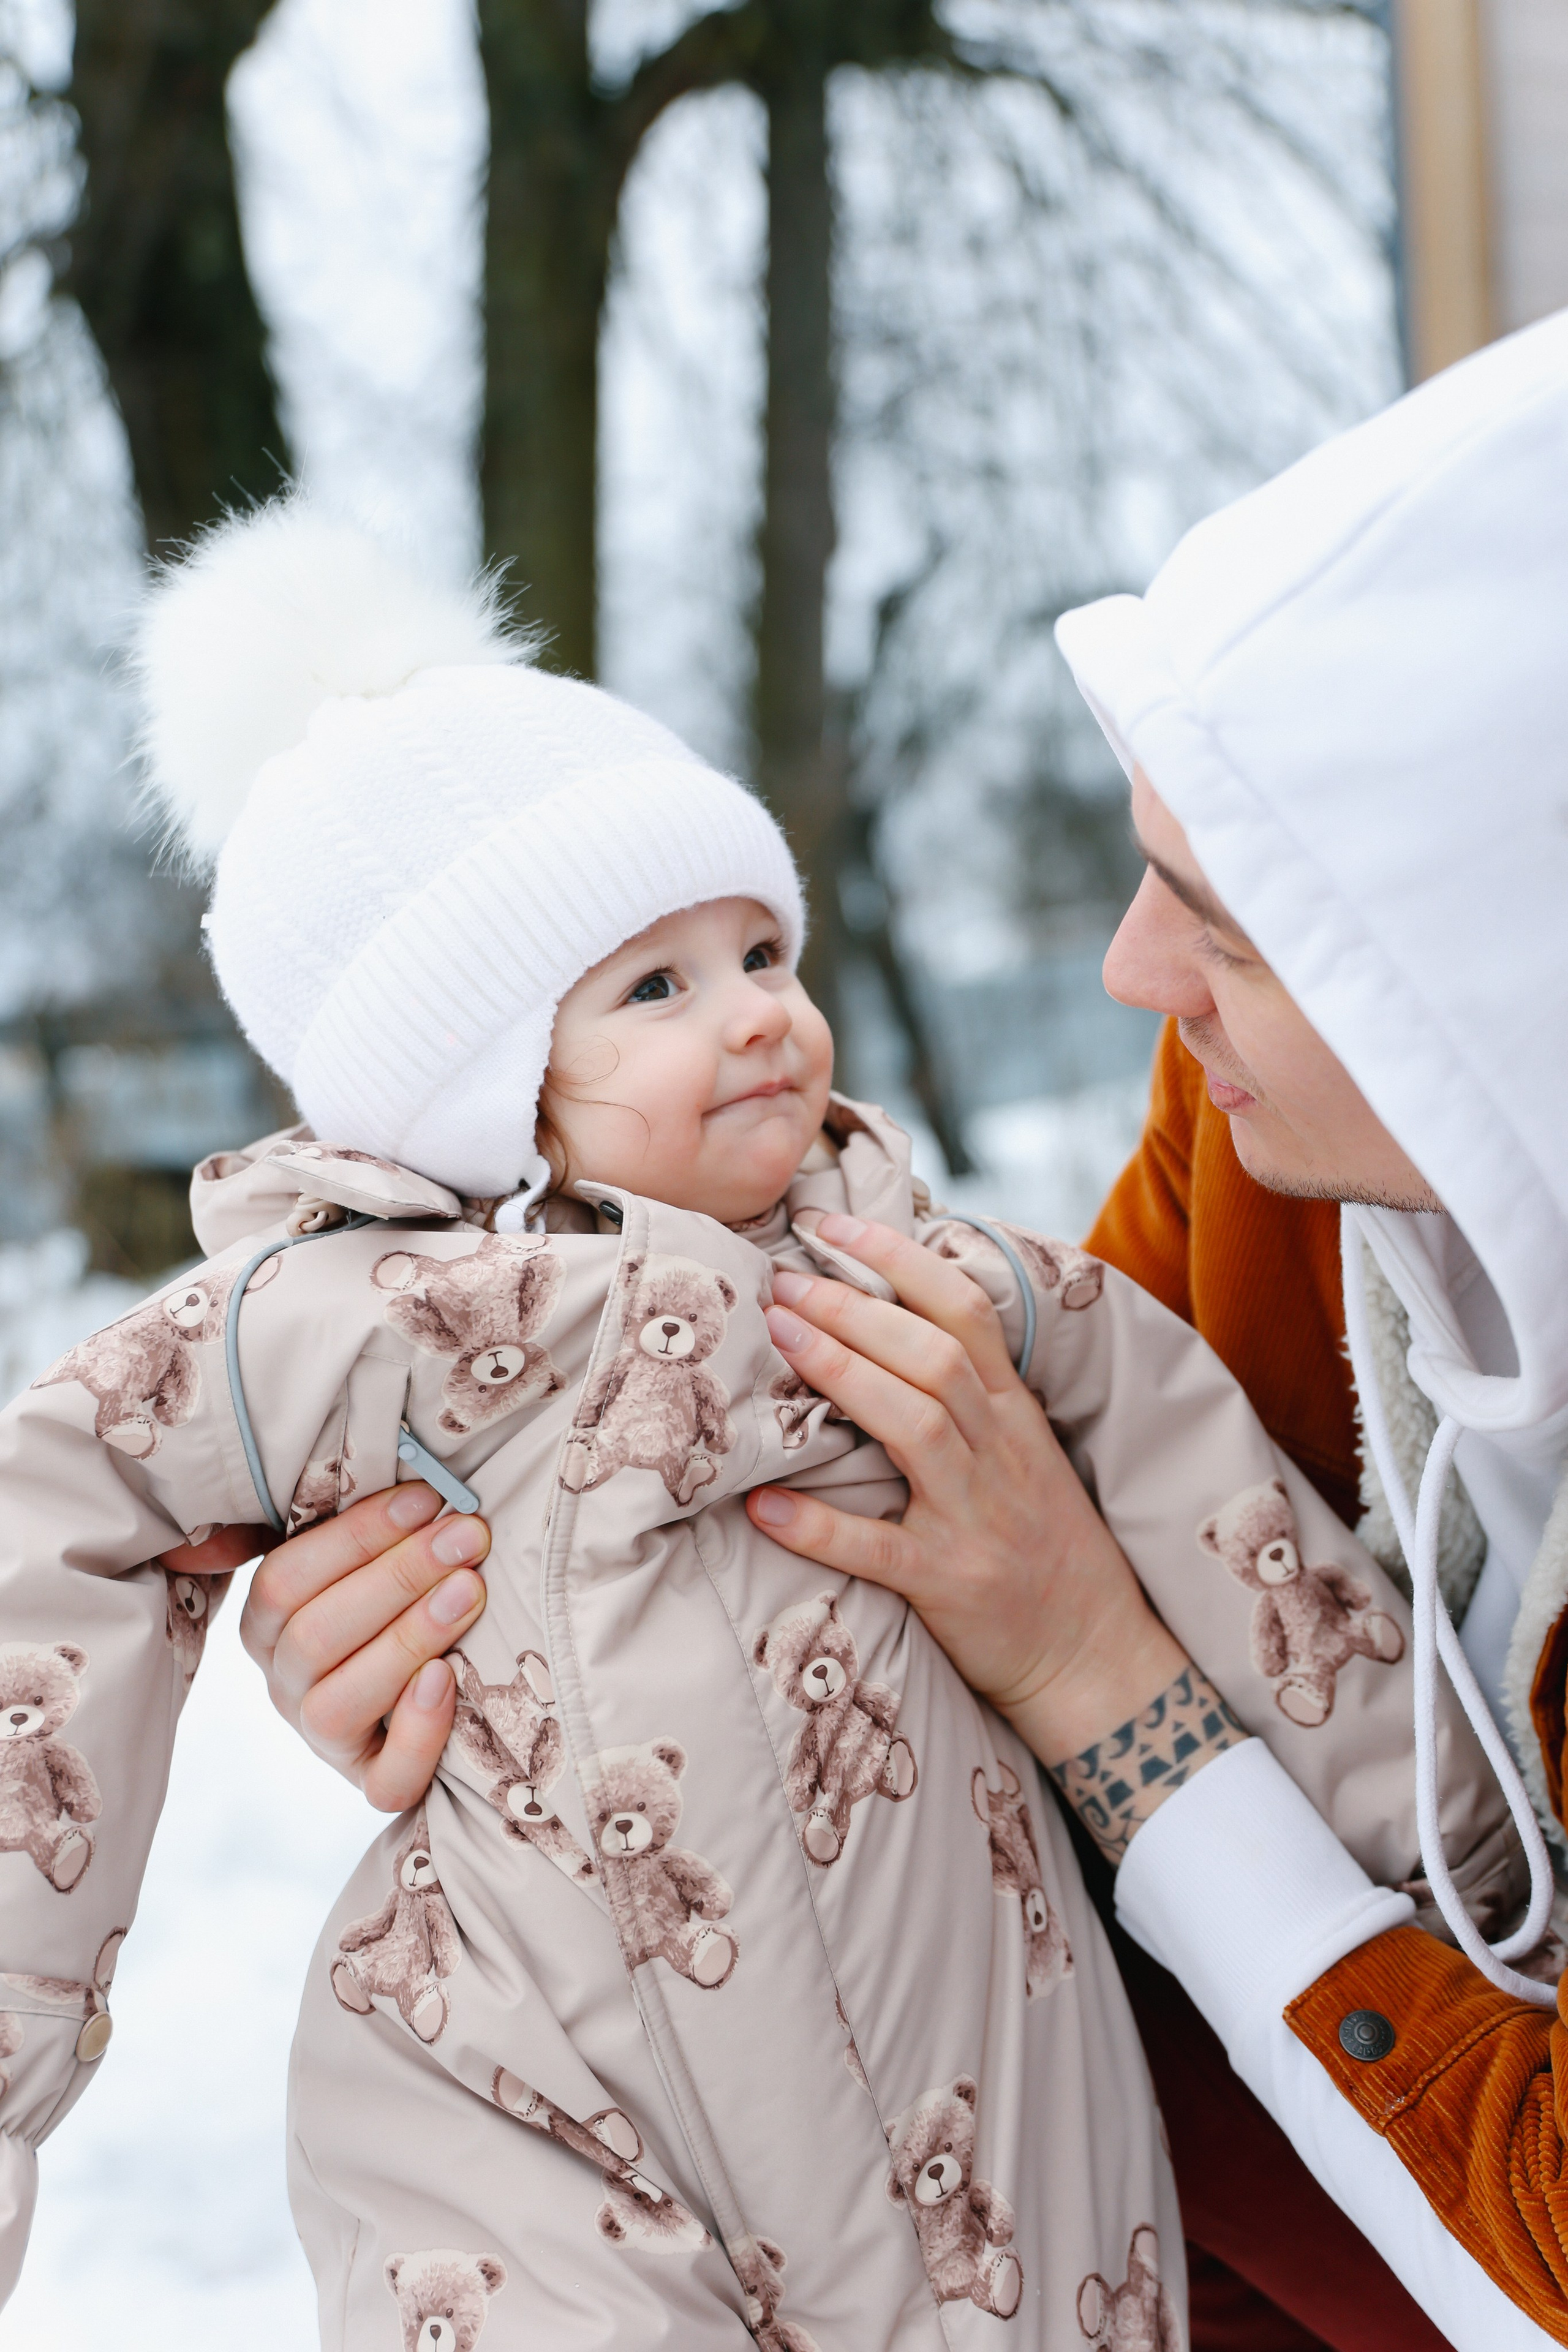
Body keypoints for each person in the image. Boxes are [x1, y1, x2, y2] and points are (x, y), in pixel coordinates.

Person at [2, 497, 1490, 2348]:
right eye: (656, 986)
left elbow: (1206, 1487)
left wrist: (1433, 1843)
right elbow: (54, 1516)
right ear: (491, 1097)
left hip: (992, 2098)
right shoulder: (352, 1322)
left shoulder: (931, 1274)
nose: (762, 1017)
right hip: (544, 2117)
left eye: (764, 953)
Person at [696, 309, 1568, 2345]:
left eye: (1230, 927)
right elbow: (914, 1526)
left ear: (1497, 1007)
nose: (1125, 967)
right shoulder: (1257, 1136)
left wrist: (1109, 1685)